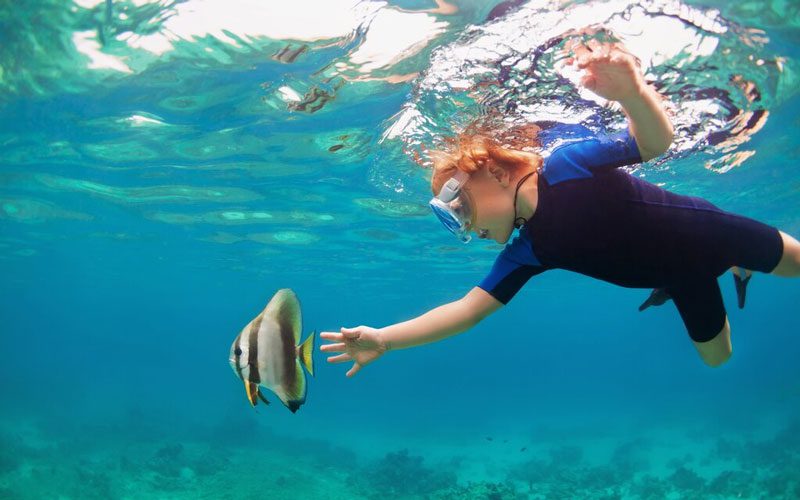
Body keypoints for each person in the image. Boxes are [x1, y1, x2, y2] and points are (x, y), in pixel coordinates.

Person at [320, 39, 800, 375]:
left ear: (496, 171)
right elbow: (467, 311)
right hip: (680, 275)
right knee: (719, 360)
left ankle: (738, 262)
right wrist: (386, 338)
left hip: (712, 234)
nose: (465, 226)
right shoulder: (528, 251)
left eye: (460, 206)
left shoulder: (567, 164)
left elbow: (652, 144)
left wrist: (632, 95)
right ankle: (726, 271)